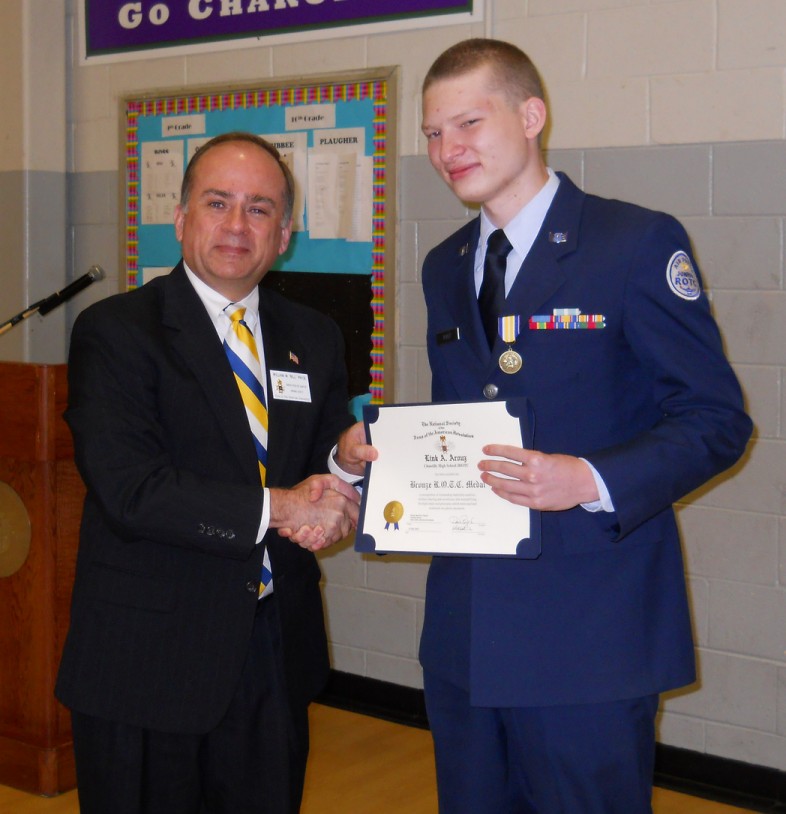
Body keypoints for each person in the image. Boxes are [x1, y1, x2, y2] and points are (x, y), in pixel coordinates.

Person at [417, 39, 752, 813]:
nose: (447, 149)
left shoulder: (633, 242)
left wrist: (589, 479)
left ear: (531, 115)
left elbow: (715, 419)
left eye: (468, 122)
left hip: (587, 634)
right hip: (467, 633)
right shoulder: (445, 264)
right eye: (433, 132)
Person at [56, 132, 371, 814]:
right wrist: (285, 507)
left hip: (271, 648)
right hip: (149, 658)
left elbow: (316, 463)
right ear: (181, 217)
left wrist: (341, 469)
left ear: (285, 233)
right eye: (218, 202)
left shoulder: (312, 335)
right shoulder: (116, 332)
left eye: (260, 209)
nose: (237, 225)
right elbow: (132, 490)